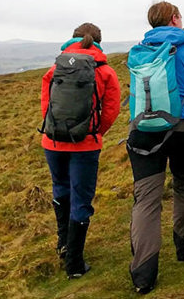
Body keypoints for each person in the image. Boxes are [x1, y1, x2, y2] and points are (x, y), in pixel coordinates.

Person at [128, 1, 184, 295]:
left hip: (143, 130)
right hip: (183, 128)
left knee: (146, 199)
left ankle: (143, 274)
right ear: (174, 18)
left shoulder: (139, 52)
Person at [40, 22, 122, 279]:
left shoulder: (55, 68)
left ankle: (63, 245)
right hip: (85, 144)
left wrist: (57, 132)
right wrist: (95, 133)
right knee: (81, 198)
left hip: (53, 142)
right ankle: (74, 263)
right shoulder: (105, 70)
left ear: (72, 39)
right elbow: (111, 110)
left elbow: (47, 106)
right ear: (98, 41)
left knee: (60, 188)